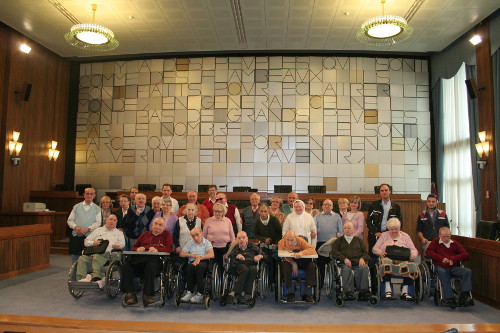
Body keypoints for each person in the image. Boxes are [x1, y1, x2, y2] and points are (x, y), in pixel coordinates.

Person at [122, 217, 173, 307]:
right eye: (156, 224)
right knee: (127, 265)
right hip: (140, 260)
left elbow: (169, 249)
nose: (157, 226)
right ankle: (130, 294)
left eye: (160, 225)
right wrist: (138, 249)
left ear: (164, 227)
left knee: (151, 265)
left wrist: (157, 249)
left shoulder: (167, 234)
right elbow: (134, 247)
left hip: (156, 261)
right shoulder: (145, 234)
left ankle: (147, 296)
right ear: (152, 225)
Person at [426, 227, 473, 307]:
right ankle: (449, 298)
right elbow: (428, 252)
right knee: (443, 273)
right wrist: (442, 258)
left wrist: (453, 259)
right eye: (444, 236)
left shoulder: (454, 243)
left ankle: (464, 296)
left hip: (453, 267)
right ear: (439, 235)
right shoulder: (435, 242)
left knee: (467, 271)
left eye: (448, 236)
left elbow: (466, 255)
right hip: (440, 266)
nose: (446, 238)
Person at [372, 218, 418, 300]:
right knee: (385, 263)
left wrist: (413, 255)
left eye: (396, 229)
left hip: (403, 260)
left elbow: (413, 249)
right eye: (391, 229)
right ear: (388, 229)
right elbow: (375, 248)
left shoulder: (405, 236)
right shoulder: (384, 235)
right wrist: (380, 252)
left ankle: (405, 291)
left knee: (412, 266)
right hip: (388, 259)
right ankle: (388, 290)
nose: (393, 231)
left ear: (399, 228)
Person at [76, 214, 125, 288]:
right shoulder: (98, 230)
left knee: (97, 256)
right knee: (82, 258)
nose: (112, 222)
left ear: (116, 222)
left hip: (110, 255)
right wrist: (93, 243)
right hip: (95, 254)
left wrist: (113, 245)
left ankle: (96, 278)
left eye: (114, 220)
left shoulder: (119, 233)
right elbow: (86, 242)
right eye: (110, 219)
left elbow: (122, 244)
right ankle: (82, 279)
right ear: (106, 220)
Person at [330, 222, 370, 301]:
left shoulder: (359, 241)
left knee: (364, 268)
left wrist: (362, 258)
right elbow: (334, 252)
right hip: (344, 263)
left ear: (353, 229)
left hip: (357, 263)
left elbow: (365, 253)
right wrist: (344, 259)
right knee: (346, 269)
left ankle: (363, 292)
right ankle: (348, 292)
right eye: (345, 228)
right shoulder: (338, 241)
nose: (347, 230)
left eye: (349, 228)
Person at [367, 184, 403, 261]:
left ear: (390, 191)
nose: (384, 192)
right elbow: (368, 221)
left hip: (390, 235)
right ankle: (373, 273)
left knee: (388, 257)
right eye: (382, 190)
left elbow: (400, 222)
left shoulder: (396, 206)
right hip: (375, 235)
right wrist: (376, 232)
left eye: (386, 190)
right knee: (373, 257)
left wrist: (389, 232)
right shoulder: (373, 205)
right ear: (379, 192)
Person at [278, 230, 317, 302]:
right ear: (284, 238)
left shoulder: (301, 240)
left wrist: (302, 253)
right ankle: (290, 292)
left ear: (295, 238)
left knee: (312, 265)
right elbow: (282, 256)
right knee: (284, 265)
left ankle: (306, 293)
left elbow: (312, 250)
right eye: (288, 240)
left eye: (292, 240)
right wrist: (293, 263)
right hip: (289, 261)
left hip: (302, 261)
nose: (290, 242)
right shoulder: (281, 242)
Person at [225, 231, 264, 305]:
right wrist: (237, 256)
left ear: (247, 239)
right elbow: (229, 260)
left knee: (253, 269)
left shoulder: (253, 247)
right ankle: (234, 293)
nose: (241, 240)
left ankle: (245, 293)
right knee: (245, 269)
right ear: (236, 239)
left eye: (243, 238)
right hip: (238, 266)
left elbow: (265, 256)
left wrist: (260, 256)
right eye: (239, 238)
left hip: (251, 265)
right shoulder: (234, 248)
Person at [179, 227, 214, 303]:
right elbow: (181, 253)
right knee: (189, 267)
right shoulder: (190, 243)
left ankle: (200, 293)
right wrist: (194, 256)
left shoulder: (206, 243)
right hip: (192, 261)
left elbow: (211, 254)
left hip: (203, 262)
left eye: (197, 235)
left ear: (201, 233)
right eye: (193, 236)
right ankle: (189, 292)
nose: (195, 237)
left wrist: (199, 258)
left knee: (199, 267)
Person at [67, 187, 101, 263]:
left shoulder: (97, 209)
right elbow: (70, 220)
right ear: (84, 195)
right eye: (87, 194)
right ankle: (74, 275)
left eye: (91, 194)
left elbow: (98, 223)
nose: (89, 196)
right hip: (77, 236)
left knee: (89, 260)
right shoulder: (76, 207)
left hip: (90, 237)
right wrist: (77, 228)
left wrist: (87, 229)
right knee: (75, 259)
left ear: (94, 196)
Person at [314, 199, 342, 286]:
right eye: (325, 204)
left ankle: (334, 283)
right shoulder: (317, 217)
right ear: (322, 206)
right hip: (320, 243)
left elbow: (340, 231)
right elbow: (313, 230)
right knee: (320, 265)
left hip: (333, 243)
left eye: (329, 205)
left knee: (333, 263)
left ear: (332, 207)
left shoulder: (337, 216)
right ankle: (320, 283)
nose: (327, 206)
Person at [203, 202, 235, 268]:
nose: (217, 213)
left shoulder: (227, 221)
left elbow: (232, 234)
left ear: (223, 212)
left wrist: (233, 245)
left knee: (223, 265)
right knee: (214, 265)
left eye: (219, 211)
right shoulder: (208, 220)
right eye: (215, 211)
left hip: (225, 247)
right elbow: (204, 234)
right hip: (211, 247)